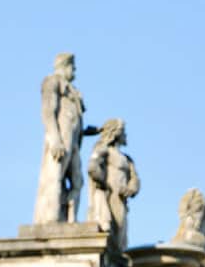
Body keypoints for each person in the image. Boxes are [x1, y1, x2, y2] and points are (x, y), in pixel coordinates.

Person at [32, 53, 97, 223]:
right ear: (65, 66)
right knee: (55, 176)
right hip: (61, 140)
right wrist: (55, 139)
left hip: (73, 142)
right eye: (72, 68)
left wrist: (89, 132)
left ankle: (69, 218)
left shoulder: (72, 90)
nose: (74, 71)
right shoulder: (52, 81)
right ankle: (51, 217)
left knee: (77, 181)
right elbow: (48, 111)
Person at [85, 118, 139, 250]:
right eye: (123, 131)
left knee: (120, 232)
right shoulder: (104, 149)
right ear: (115, 133)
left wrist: (131, 188)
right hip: (108, 195)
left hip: (121, 200)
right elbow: (92, 166)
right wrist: (102, 182)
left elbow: (135, 178)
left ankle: (117, 258)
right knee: (108, 230)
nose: (125, 135)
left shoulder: (127, 159)